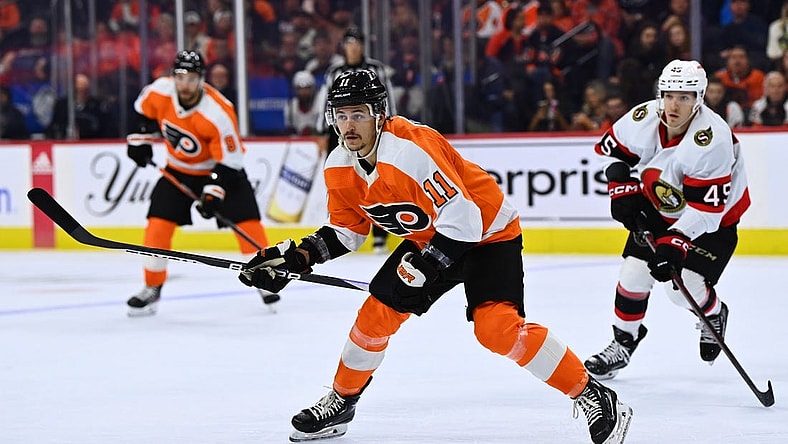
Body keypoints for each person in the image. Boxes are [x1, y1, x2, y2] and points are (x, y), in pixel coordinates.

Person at [238, 70, 633, 444]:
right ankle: (341, 402)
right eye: (341, 115)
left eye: (358, 114)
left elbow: (465, 220)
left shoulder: (410, 149)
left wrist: (427, 267)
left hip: (489, 235)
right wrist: (295, 258)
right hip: (431, 238)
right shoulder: (340, 165)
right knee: (374, 316)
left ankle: (592, 394)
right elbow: (348, 231)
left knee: (496, 330)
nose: (348, 125)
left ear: (379, 115)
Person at [584, 60, 751, 381]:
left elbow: (707, 210)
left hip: (714, 219)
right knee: (632, 275)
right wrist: (622, 188)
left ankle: (713, 314)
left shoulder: (711, 139)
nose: (674, 104)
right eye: (669, 94)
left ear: (699, 99)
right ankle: (623, 343)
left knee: (681, 288)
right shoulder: (643, 117)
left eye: (685, 97)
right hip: (661, 205)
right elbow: (617, 154)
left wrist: (674, 241)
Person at [125, 50, 274, 316]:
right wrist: (139, 141)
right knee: (157, 226)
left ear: (201, 80)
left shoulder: (218, 112)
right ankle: (152, 288)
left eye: (191, 78)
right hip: (178, 170)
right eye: (180, 77)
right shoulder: (159, 92)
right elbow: (141, 114)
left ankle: (266, 279)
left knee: (248, 225)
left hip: (222, 170)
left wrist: (213, 192)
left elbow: (230, 161)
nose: (185, 85)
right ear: (173, 77)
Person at [315, 26, 397, 254]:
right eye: (349, 43)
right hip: (339, 131)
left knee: (379, 179)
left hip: (374, 129)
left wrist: (389, 124)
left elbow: (387, 98)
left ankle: (381, 233)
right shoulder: (334, 71)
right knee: (341, 175)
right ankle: (342, 224)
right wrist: (322, 131)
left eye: (356, 43)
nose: (353, 47)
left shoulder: (376, 69)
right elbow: (326, 102)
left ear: (362, 45)